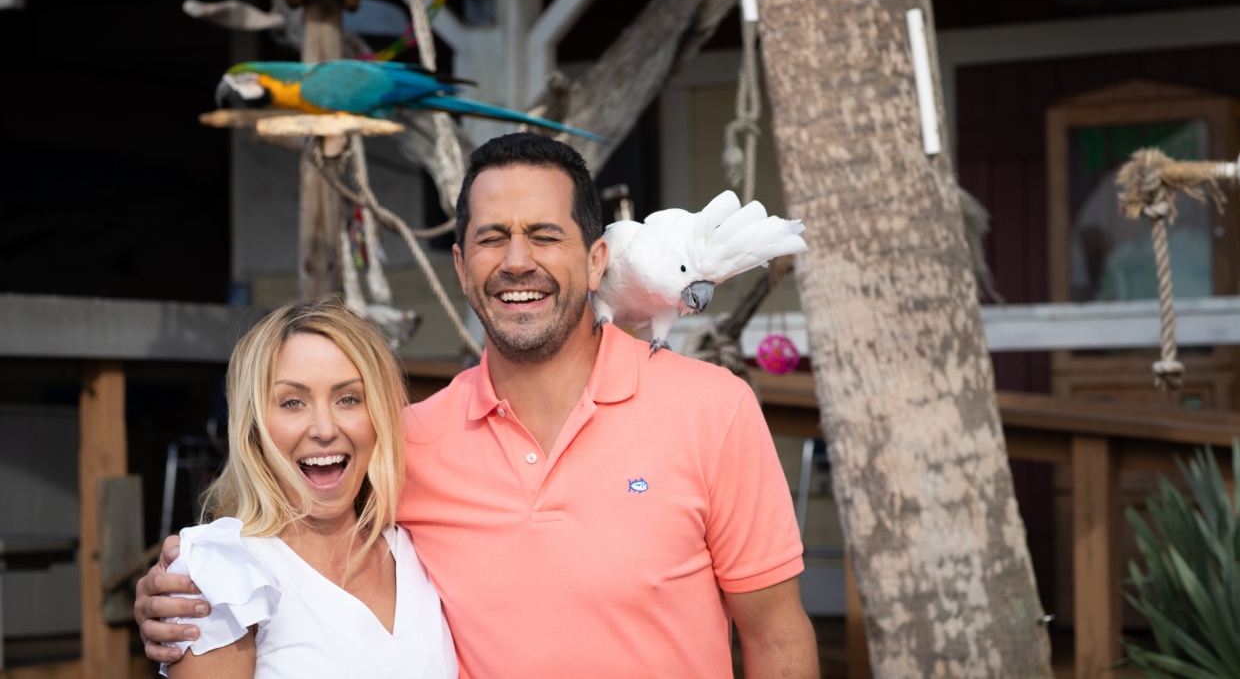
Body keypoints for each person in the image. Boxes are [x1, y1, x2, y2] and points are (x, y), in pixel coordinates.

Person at [137, 133, 818, 678]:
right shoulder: (406, 444)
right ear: (462, 267)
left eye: (545, 235)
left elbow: (777, 636)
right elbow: (290, 534)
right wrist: (180, 586)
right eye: (492, 238)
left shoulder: (713, 410)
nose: (517, 261)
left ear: (596, 260)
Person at [153, 299, 456, 679]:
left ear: (379, 415)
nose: (324, 429)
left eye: (348, 399)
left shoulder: (420, 550)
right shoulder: (221, 571)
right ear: (254, 426)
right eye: (293, 403)